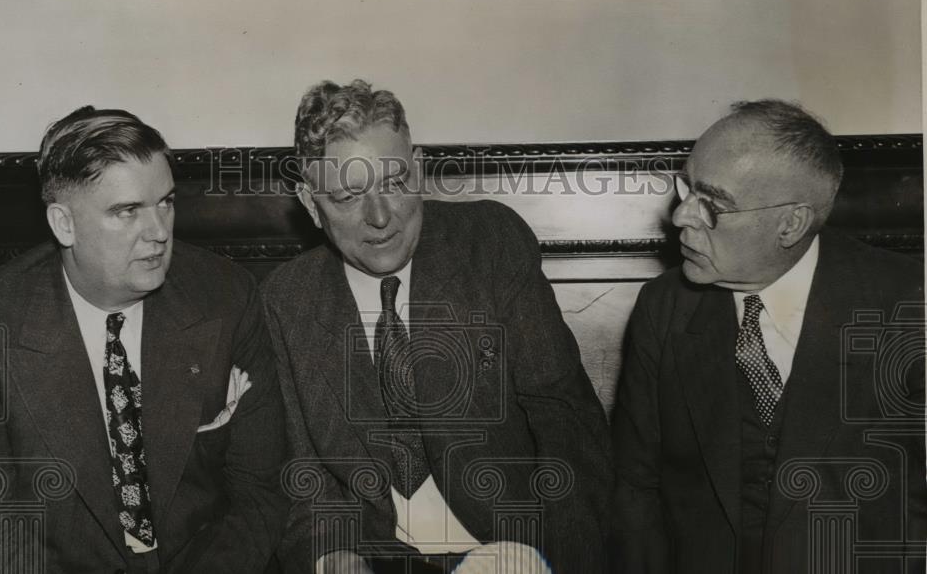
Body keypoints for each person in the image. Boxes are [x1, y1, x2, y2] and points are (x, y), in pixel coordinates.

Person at [265, 80, 612, 573]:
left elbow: (565, 420)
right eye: (346, 197)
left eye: (395, 182)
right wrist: (332, 554)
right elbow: (300, 471)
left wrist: (544, 555)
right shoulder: (286, 299)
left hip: (513, 546)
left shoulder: (489, 243)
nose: (381, 217)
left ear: (420, 168)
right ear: (309, 203)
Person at [0, 106, 288, 573]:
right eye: (127, 211)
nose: (159, 232)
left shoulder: (226, 296)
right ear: (64, 224)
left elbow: (260, 488)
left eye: (165, 202)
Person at [611, 99, 926, 573]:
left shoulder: (906, 305)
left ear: (791, 223)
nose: (681, 219)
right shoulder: (665, 307)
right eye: (685, 190)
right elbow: (635, 488)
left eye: (712, 205)